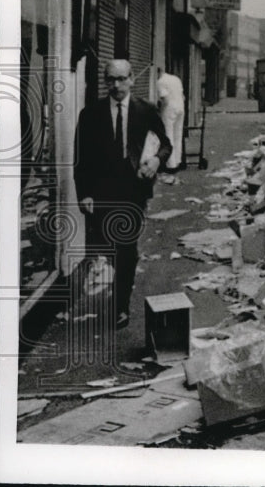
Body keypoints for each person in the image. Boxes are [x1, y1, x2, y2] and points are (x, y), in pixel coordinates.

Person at [75, 59, 172, 328]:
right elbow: (81, 159)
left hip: (133, 189)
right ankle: (113, 282)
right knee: (107, 246)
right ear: (105, 81)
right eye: (110, 80)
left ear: (131, 79)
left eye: (121, 79)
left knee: (126, 249)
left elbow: (165, 144)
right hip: (101, 189)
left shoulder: (146, 110)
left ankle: (120, 306)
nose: (116, 85)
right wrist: (84, 194)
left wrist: (155, 161)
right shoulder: (91, 114)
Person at [156, 69, 185, 171]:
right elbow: (183, 96)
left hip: (170, 109)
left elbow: (165, 100)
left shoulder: (160, 82)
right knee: (178, 135)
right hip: (180, 107)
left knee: (168, 135)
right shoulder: (176, 79)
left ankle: (171, 165)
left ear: (157, 73)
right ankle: (178, 161)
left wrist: (160, 111)